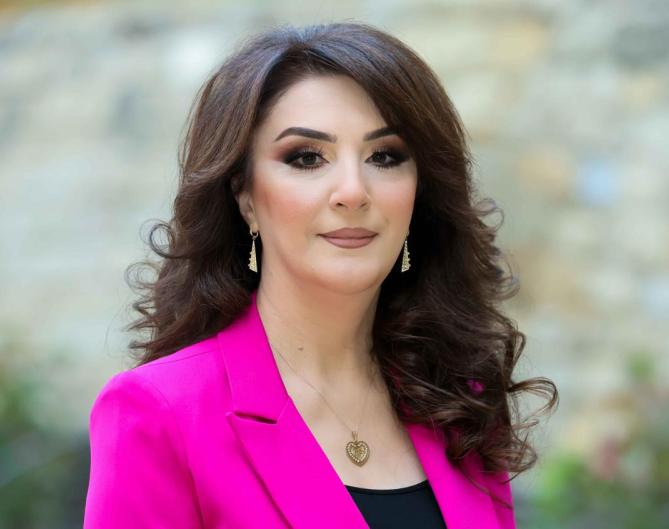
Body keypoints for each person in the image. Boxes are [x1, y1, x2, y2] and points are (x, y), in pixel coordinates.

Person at [83, 21, 558, 529]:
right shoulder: (159, 414)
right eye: (307, 158)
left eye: (385, 156)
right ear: (245, 197)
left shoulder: (461, 402)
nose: (352, 191)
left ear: (419, 193)